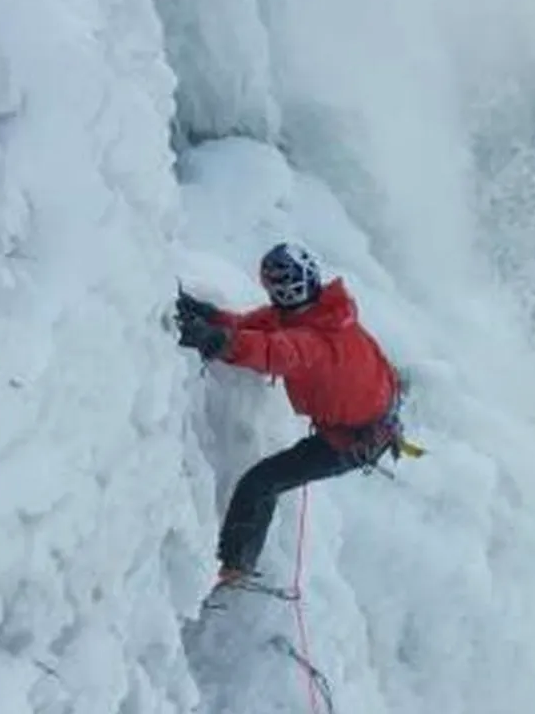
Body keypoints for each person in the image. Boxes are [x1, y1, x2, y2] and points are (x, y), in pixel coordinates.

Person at [163, 243, 405, 587]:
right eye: (275, 285)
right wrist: (211, 319)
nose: (280, 291)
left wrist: (217, 342)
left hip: (351, 442)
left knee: (261, 483)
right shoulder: (318, 310)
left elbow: (275, 351)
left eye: (283, 285)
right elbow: (251, 327)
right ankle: (236, 566)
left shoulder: (319, 338)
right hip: (367, 423)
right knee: (262, 482)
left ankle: (234, 569)